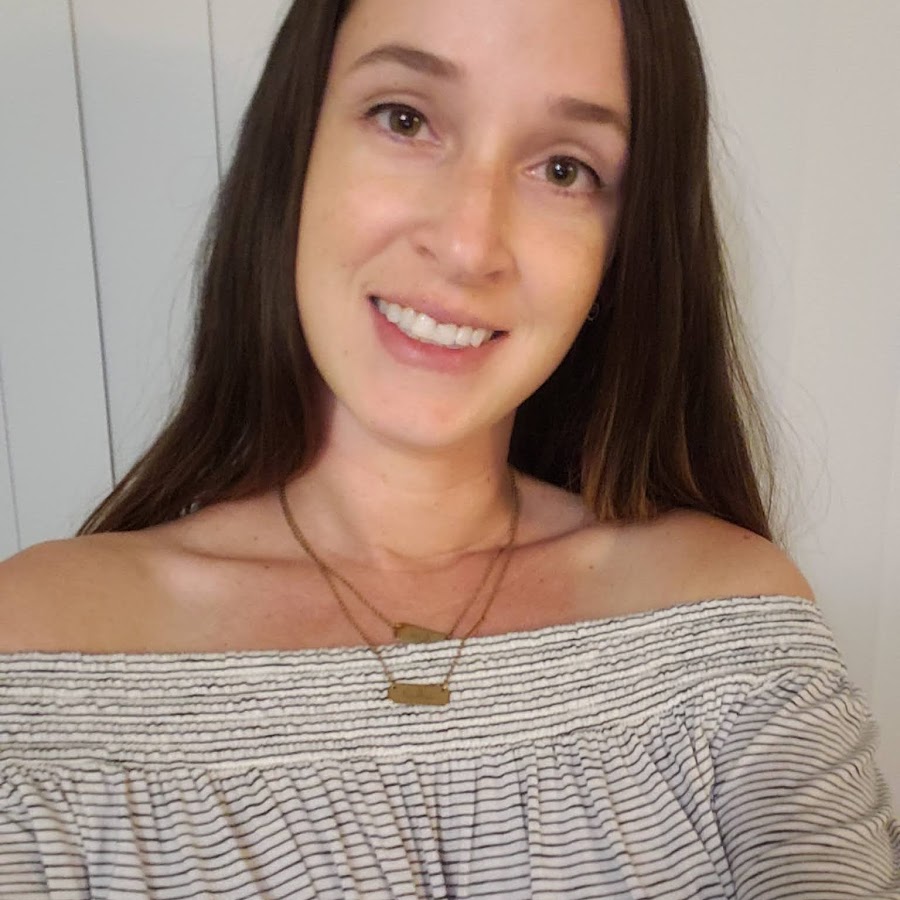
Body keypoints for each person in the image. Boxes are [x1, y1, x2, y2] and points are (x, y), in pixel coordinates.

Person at [0, 0, 897, 896]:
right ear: (295, 150)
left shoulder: (733, 637)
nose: (469, 244)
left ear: (621, 249)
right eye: (405, 119)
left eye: (564, 168)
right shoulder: (32, 658)